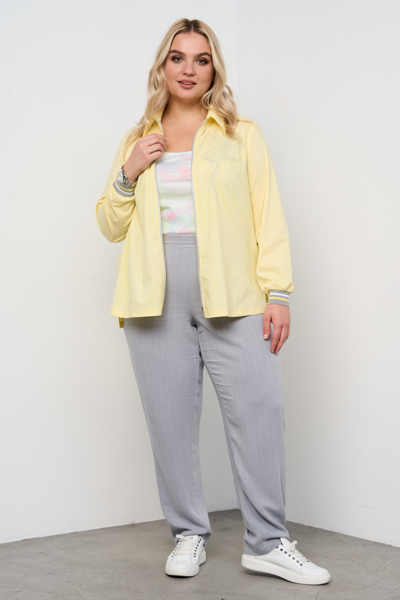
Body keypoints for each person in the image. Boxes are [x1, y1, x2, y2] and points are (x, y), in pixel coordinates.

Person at [96, 17, 331, 587]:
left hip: (234, 290)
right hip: (153, 296)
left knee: (260, 412)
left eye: (201, 59)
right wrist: (130, 170)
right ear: (163, 66)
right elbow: (110, 225)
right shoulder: (136, 139)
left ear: (214, 69)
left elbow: (268, 215)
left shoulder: (240, 134)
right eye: (177, 58)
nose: (188, 69)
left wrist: (278, 293)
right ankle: (188, 533)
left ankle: (268, 542)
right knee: (170, 422)